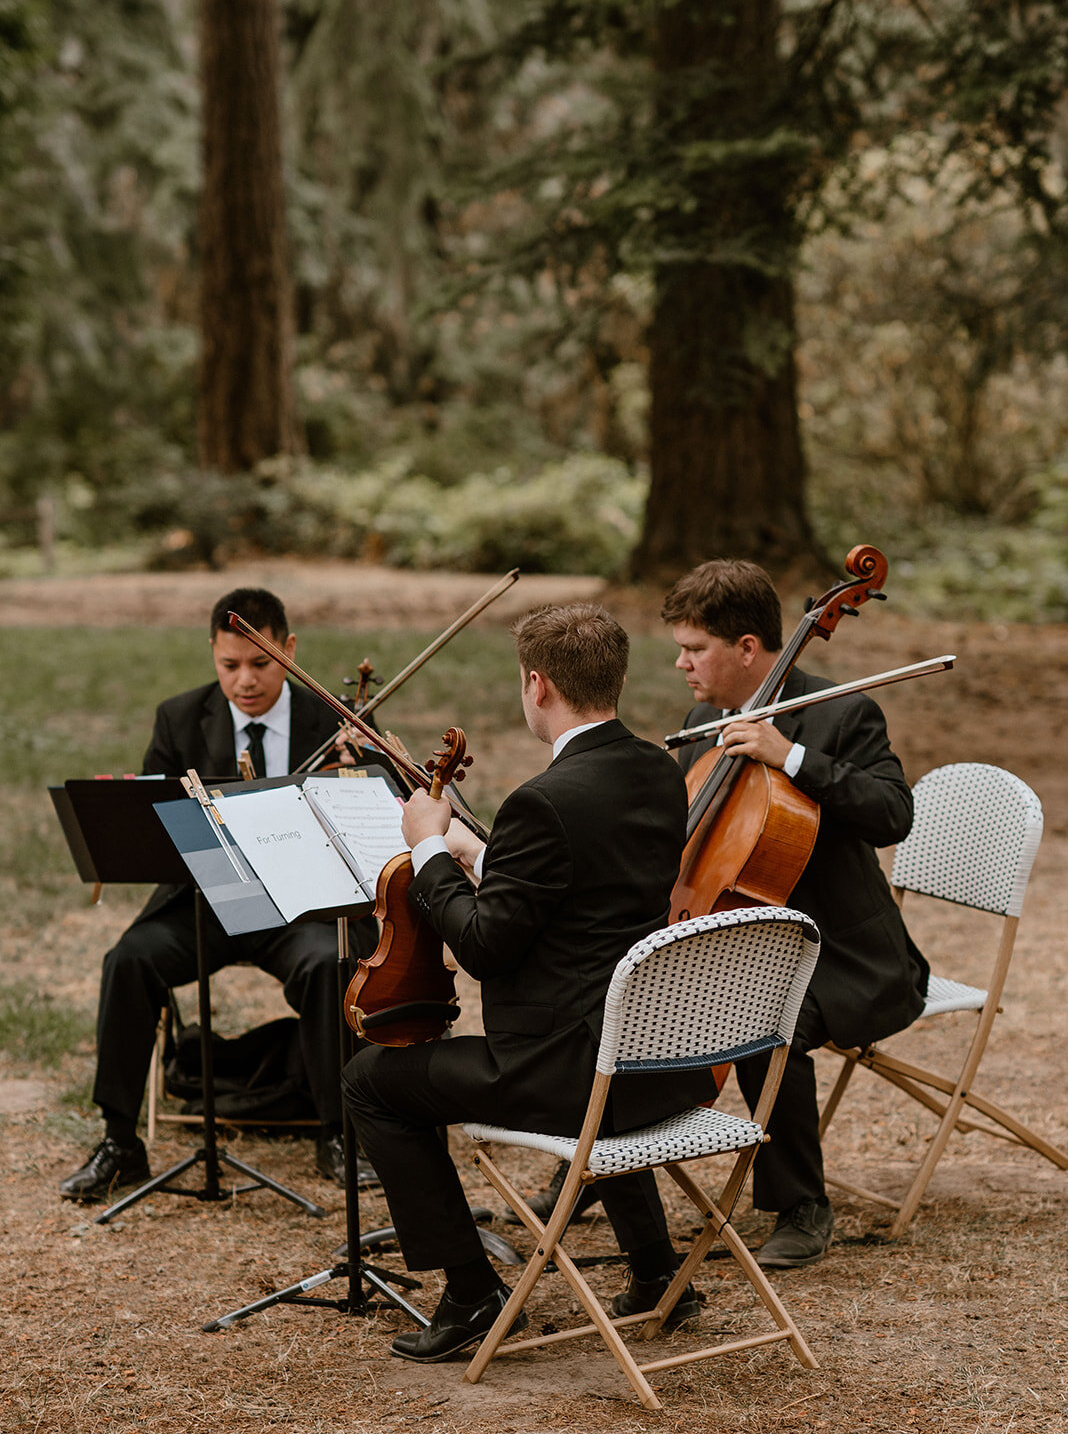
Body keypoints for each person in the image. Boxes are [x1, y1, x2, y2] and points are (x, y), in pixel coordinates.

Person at [341, 602, 706, 1363]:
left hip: (571, 1076)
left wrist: (432, 850)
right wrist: (488, 856)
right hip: (655, 1063)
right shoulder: (655, 772)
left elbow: (482, 947)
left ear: (536, 685)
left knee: (371, 1080)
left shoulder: (545, 800)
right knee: (590, 1044)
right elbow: (579, 893)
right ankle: (657, 1270)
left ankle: (473, 1296)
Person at [59, 586, 381, 1202]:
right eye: (229, 665)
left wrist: (356, 773)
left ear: (289, 650)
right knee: (127, 961)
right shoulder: (179, 717)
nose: (245, 681)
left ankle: (340, 1132)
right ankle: (120, 1139)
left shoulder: (335, 722)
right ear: (212, 653)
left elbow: (372, 821)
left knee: (327, 961)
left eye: (260, 664)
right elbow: (151, 821)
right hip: (206, 900)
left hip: (299, 904)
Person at [661, 557, 929, 1268]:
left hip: (847, 956)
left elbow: (893, 814)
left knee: (761, 1021)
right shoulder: (705, 719)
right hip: (744, 938)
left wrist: (794, 757)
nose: (681, 663)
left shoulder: (844, 713)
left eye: (696, 649)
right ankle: (595, 1171)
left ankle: (802, 1207)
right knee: (643, 994)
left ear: (748, 647)